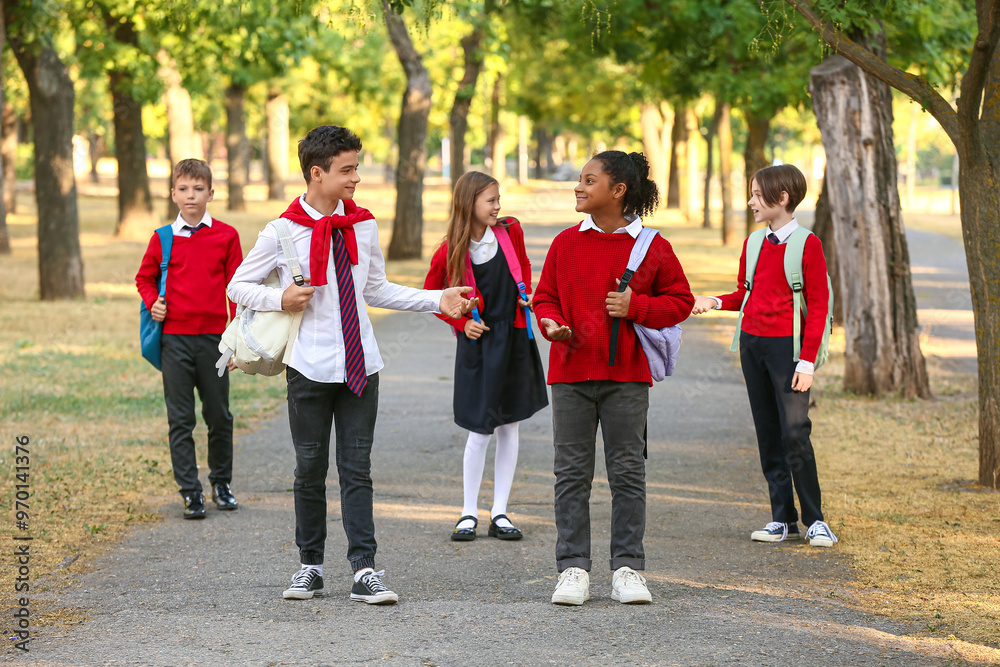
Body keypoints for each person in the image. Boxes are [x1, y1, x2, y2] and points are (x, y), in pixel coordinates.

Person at [228, 125, 475, 605]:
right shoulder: (282, 231)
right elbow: (238, 284)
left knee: (357, 469)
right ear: (316, 174)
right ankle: (310, 566)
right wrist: (280, 295)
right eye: (348, 169)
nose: (356, 177)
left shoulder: (363, 224)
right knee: (309, 468)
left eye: (357, 167)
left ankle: (365, 568)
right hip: (308, 367)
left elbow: (376, 289)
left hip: (361, 365)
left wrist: (437, 300)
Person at [532, 151, 694, 606]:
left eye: (589, 180)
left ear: (618, 190)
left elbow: (680, 301)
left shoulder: (653, 247)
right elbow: (544, 298)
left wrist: (637, 307)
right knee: (571, 473)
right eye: (579, 180)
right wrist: (550, 323)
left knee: (627, 472)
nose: (578, 187)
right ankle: (572, 569)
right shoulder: (565, 243)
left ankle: (628, 568)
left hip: (627, 378)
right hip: (570, 375)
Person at [690, 163, 838, 549]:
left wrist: (807, 363)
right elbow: (746, 293)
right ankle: (782, 519)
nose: (752, 201)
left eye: (758, 194)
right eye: (752, 193)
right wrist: (716, 300)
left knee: (794, 432)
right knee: (767, 432)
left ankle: (815, 520)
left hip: (788, 350)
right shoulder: (753, 243)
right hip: (752, 345)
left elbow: (819, 308)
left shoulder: (808, 244)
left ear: (783, 198)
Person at [423, 171, 548, 542]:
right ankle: (467, 512)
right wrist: (462, 325)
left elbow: (522, 266)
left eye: (498, 199)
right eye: (490, 200)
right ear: (469, 204)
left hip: (514, 342)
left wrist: (527, 295)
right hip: (479, 347)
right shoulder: (449, 251)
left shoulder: (511, 232)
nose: (498, 206)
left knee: (510, 425)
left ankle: (500, 511)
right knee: (480, 429)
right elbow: (432, 297)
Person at [135, 158, 243, 520]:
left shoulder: (226, 236)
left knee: (219, 416)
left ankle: (221, 484)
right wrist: (154, 304)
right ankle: (190, 492)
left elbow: (237, 291)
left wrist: (235, 339)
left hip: (213, 340)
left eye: (198, 189)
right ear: (173, 194)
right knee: (180, 419)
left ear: (211, 193)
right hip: (175, 342)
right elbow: (144, 279)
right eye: (183, 189)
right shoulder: (162, 238)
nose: (191, 195)